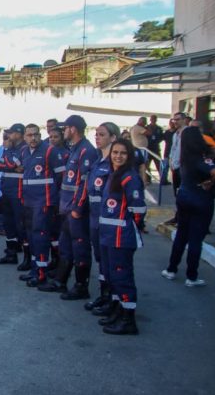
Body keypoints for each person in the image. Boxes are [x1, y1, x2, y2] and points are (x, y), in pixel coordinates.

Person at [38, 115, 97, 299]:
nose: (63, 132)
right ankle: (60, 281)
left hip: (76, 211)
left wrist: (77, 209)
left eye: (65, 129)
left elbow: (85, 184)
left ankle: (81, 286)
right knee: (65, 246)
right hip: (67, 208)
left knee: (80, 248)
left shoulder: (86, 151)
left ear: (73, 129)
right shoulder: (75, 149)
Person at [95, 139, 146, 335]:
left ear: (129, 155)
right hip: (108, 235)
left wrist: (133, 226)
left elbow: (138, 209)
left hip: (120, 237)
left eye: (123, 153)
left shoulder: (129, 178)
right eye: (115, 152)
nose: (118, 156)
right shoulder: (113, 175)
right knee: (111, 276)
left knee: (122, 278)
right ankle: (117, 311)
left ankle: (128, 321)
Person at [162, 126, 215, 287]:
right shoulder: (203, 158)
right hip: (201, 199)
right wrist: (210, 183)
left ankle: (171, 269)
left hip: (184, 196)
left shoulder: (185, 156)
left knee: (181, 235)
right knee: (195, 239)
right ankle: (191, 276)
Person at [19, 123, 68, 287]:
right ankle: (34, 269)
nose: (33, 138)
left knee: (40, 236)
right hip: (29, 201)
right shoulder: (24, 151)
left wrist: (58, 201)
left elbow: (62, 176)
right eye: (29, 135)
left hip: (44, 202)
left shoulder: (50, 151)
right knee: (31, 236)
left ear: (40, 136)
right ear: (25, 137)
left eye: (36, 135)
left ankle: (41, 273)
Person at [80, 122, 119, 314]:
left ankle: (113, 299)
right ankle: (105, 296)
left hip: (109, 221)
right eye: (96, 134)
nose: (97, 137)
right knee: (100, 259)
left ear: (113, 138)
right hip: (94, 218)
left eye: (102, 134)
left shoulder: (115, 163)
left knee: (111, 261)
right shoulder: (97, 161)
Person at [0, 123, 30, 270]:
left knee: (21, 226)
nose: (8, 136)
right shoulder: (10, 149)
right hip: (6, 192)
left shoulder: (24, 149)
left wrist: (9, 162)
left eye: (11, 133)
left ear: (19, 134)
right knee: (8, 224)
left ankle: (28, 258)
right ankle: (11, 253)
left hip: (19, 193)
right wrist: (11, 164)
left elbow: (9, 162)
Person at [47, 126, 69, 271]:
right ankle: (54, 260)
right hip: (48, 197)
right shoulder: (48, 152)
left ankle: (60, 262)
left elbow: (63, 178)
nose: (53, 139)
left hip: (59, 197)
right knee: (51, 232)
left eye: (56, 137)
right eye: (51, 137)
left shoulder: (65, 154)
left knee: (59, 232)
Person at [167, 112, 189, 224]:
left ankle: (182, 218)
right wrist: (171, 161)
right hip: (175, 167)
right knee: (177, 193)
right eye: (174, 119)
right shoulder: (176, 134)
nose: (175, 121)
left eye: (178, 119)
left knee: (183, 194)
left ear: (184, 120)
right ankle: (179, 216)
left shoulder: (187, 133)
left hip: (183, 168)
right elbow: (173, 149)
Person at [0, 131, 11, 237]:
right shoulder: (1, 149)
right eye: (4, 138)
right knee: (1, 205)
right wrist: (12, 166)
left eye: (7, 138)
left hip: (12, 184)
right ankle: (1, 228)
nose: (5, 140)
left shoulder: (16, 150)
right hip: (1, 181)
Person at [146, 115, 163, 180]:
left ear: (156, 120)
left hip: (156, 149)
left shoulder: (159, 128)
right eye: (152, 119)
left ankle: (162, 179)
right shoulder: (146, 127)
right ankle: (148, 179)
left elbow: (161, 137)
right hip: (148, 149)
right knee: (147, 165)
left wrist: (157, 140)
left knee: (159, 165)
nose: (153, 120)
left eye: (154, 119)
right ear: (150, 119)